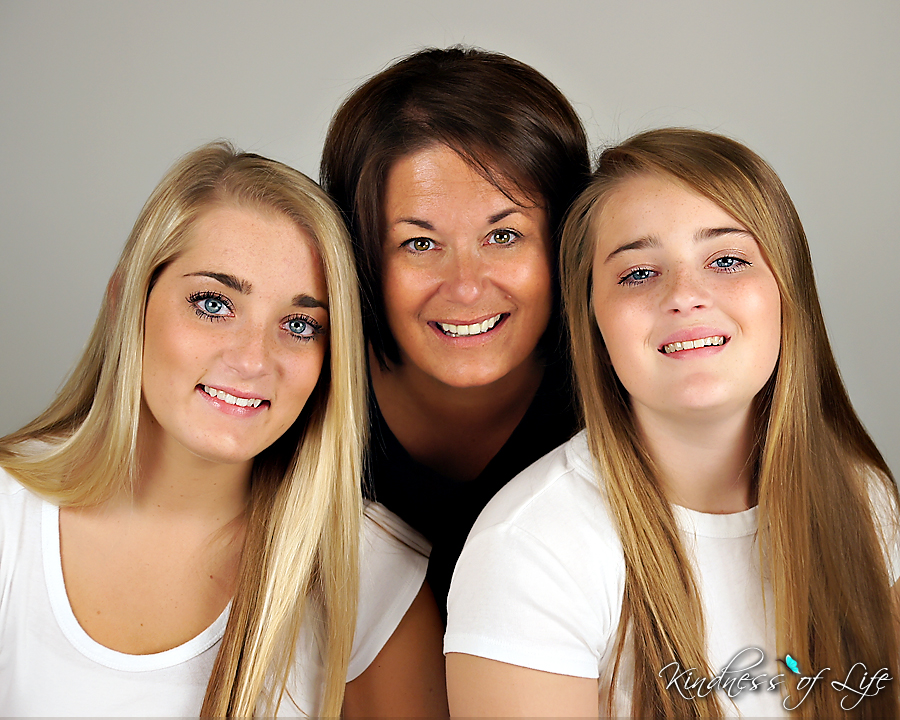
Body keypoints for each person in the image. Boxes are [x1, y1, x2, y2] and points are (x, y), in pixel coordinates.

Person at [445, 128, 900, 717]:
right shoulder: (529, 549)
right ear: (592, 318)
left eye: (727, 261)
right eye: (638, 273)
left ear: (789, 292)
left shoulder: (864, 499)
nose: (685, 296)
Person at [0, 142, 446, 716]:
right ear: (126, 302)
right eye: (214, 304)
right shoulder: (9, 514)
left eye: (300, 325)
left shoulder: (370, 572)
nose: (254, 360)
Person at [320, 46, 591, 619]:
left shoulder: (623, 388)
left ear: (565, 238)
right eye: (420, 243)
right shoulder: (299, 389)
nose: (466, 287)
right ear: (361, 254)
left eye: (504, 236)